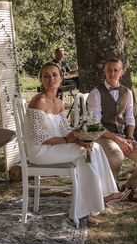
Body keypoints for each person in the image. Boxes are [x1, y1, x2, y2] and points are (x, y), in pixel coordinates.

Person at [24, 62, 121, 227]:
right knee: (86, 153)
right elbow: (40, 137)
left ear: (62, 78)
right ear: (40, 79)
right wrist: (71, 140)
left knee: (92, 148)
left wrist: (82, 140)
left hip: (55, 146)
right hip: (40, 150)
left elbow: (65, 130)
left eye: (54, 75)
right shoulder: (38, 101)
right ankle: (100, 198)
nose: (51, 79)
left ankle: (88, 207)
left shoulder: (58, 102)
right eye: (46, 76)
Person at [86, 57, 137, 203]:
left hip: (123, 136)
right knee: (117, 156)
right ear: (104, 71)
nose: (112, 73)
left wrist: (129, 138)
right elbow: (95, 125)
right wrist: (118, 140)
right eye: (109, 70)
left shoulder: (127, 92)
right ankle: (109, 192)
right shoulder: (96, 93)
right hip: (102, 135)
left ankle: (128, 189)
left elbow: (130, 119)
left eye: (116, 70)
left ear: (122, 72)